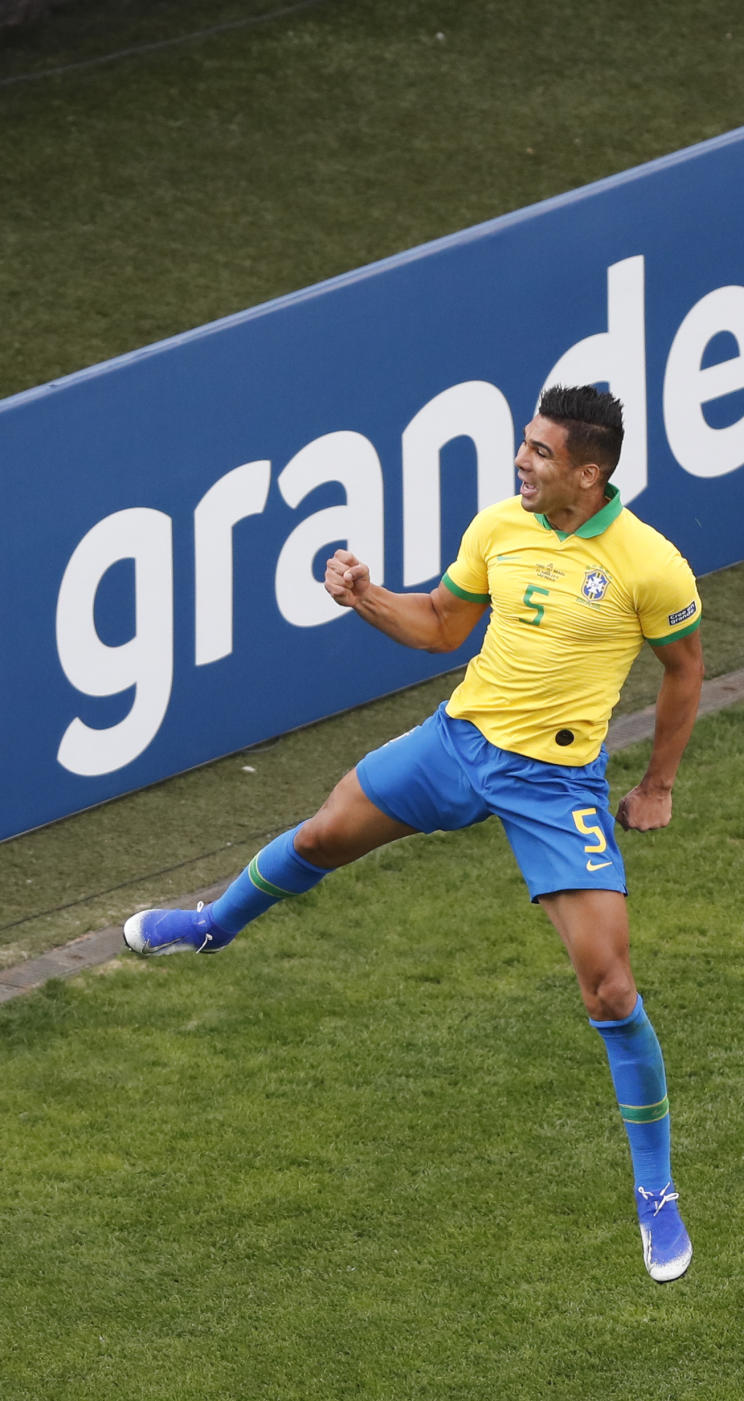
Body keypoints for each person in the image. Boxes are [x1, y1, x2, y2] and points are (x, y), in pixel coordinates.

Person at [124, 384, 704, 1283]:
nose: (522, 460)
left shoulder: (651, 565)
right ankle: (211, 924)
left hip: (556, 787)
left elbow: (684, 668)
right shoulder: (498, 528)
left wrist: (658, 782)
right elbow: (441, 626)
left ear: (588, 474)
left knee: (610, 988)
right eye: (524, 443)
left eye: (542, 453)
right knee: (319, 836)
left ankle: (657, 1196)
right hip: (457, 743)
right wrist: (365, 596)